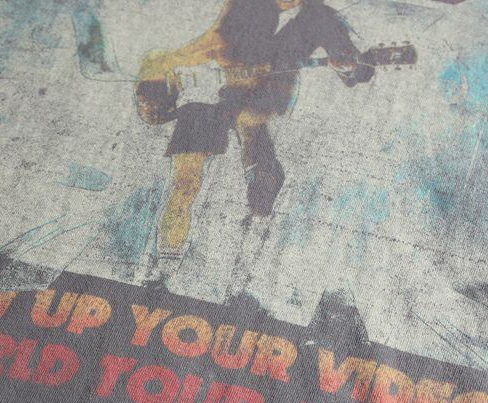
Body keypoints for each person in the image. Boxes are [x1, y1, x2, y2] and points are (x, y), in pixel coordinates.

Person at [136, 0, 373, 271]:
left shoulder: (318, 16)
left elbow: (359, 66)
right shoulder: (248, 5)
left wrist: (350, 66)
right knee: (185, 183)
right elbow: (213, 40)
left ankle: (257, 189)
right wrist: (166, 65)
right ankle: (163, 268)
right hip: (209, 93)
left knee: (262, 186)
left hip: (260, 100)